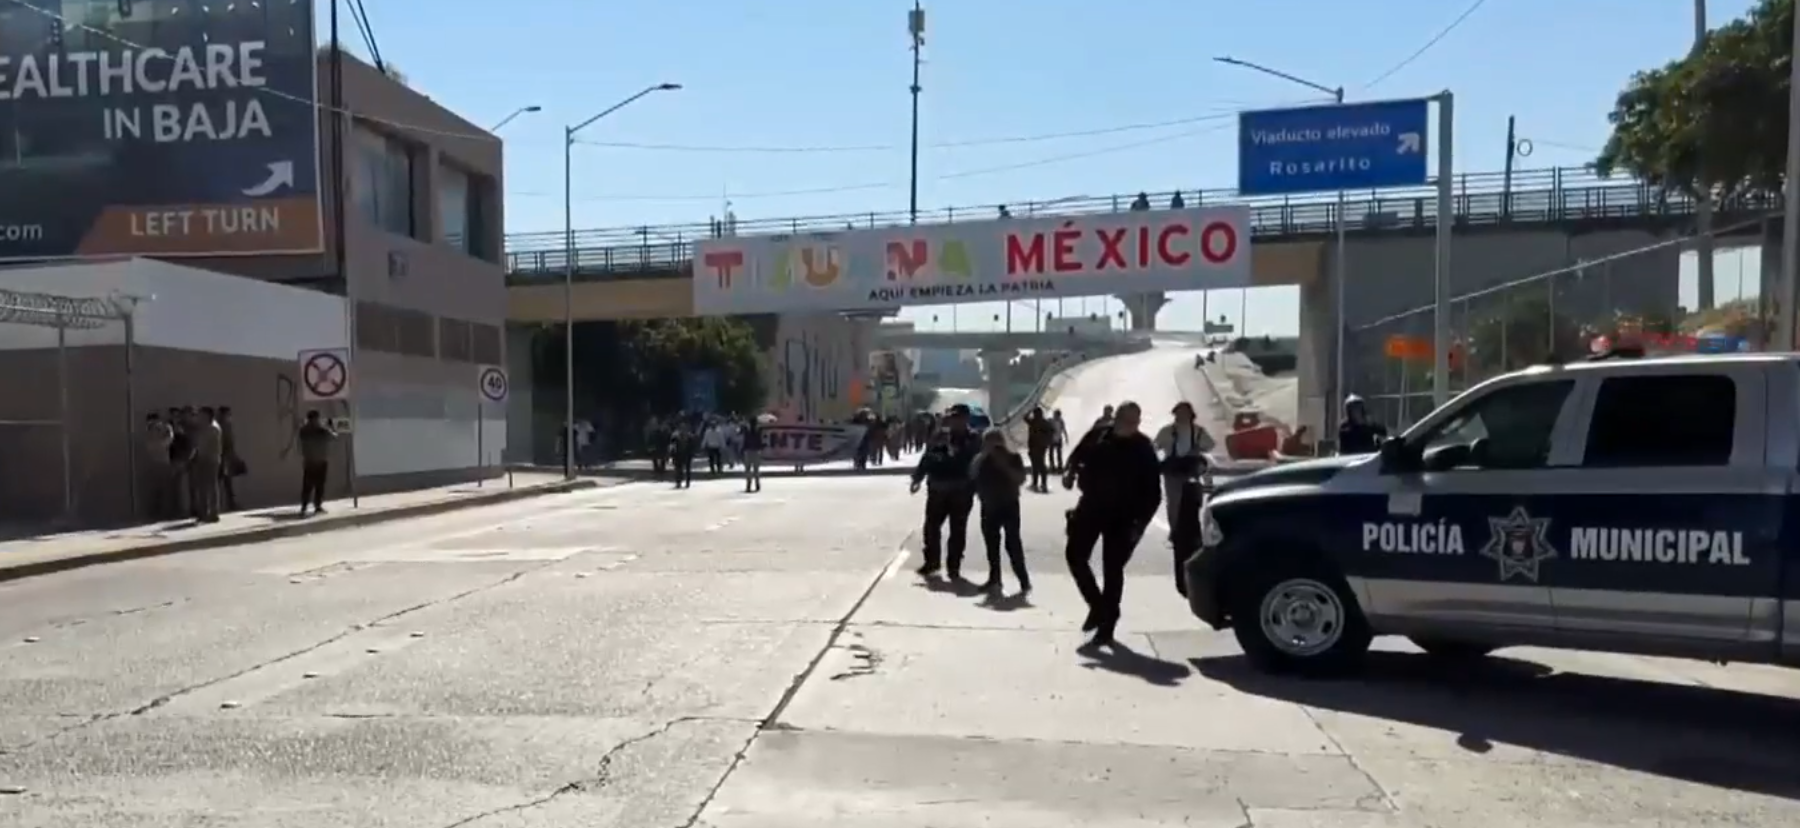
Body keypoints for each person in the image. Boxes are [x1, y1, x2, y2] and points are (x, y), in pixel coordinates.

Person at [1061, 401, 1161, 645]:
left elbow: (1153, 493)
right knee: (1075, 555)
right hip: (1091, 506)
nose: (1131, 426)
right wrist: (1070, 472)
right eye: (1126, 420)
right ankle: (1098, 606)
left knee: (1112, 569)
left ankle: (1108, 624)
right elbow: (1076, 456)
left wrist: (1139, 526)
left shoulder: (1143, 447)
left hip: (1124, 515)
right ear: (1116, 418)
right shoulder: (1098, 435)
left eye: (1135, 422)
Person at [908, 404, 981, 579]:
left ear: (966, 419)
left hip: (961, 489)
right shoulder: (940, 436)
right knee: (931, 527)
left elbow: (975, 461)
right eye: (952, 418)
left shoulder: (974, 439)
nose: (955, 421)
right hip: (938, 488)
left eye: (958, 418)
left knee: (957, 529)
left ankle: (953, 566)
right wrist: (917, 478)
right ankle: (931, 562)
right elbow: (928, 457)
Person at [1154, 401, 1215, 594]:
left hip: (1190, 473)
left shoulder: (1198, 431)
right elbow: (1155, 446)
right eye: (1179, 412)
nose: (1182, 415)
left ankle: (1191, 531)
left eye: (1185, 412)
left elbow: (1210, 446)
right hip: (1173, 473)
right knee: (1174, 503)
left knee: (1193, 502)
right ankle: (1176, 532)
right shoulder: (1167, 431)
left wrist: (1197, 455)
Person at [970, 429, 1030, 598]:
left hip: (1009, 505)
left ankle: (1023, 580)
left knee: (1013, 544)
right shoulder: (981, 460)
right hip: (989, 506)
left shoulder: (1013, 458)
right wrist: (982, 458)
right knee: (992, 545)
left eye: (996, 442)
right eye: (989, 442)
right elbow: (972, 476)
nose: (993, 446)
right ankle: (994, 578)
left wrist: (1004, 465)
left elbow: (1020, 479)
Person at [297, 410, 337, 517]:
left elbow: (300, 444)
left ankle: (304, 507)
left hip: (309, 462)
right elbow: (333, 437)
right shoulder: (321, 430)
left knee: (307, 486)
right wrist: (330, 426)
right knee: (319, 485)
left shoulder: (304, 430)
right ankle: (317, 506)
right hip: (320, 461)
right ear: (315, 418)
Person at [140, 412, 174, 520]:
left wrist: (158, 445)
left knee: (166, 488)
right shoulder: (148, 430)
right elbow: (147, 444)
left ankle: (167, 512)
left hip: (163, 461)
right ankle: (155, 512)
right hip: (153, 461)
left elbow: (169, 440)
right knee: (154, 488)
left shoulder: (166, 428)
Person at [217, 405, 244, 512]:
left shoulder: (227, 426)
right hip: (223, 457)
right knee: (222, 482)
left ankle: (230, 503)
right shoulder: (222, 427)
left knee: (226, 482)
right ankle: (227, 504)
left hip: (226, 457)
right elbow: (225, 444)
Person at [1024, 408, 1052, 492]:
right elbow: (1050, 434)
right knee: (1040, 465)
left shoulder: (1033, 422)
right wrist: (1046, 443)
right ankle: (1042, 484)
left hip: (1035, 446)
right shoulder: (1045, 423)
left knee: (1036, 466)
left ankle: (1036, 484)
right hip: (1041, 447)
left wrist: (1030, 409)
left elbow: (1024, 417)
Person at [670, 422, 698, 489]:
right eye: (681, 428)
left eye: (684, 428)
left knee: (687, 470)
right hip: (678, 455)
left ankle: (687, 482)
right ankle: (678, 482)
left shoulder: (690, 437)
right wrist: (672, 454)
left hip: (687, 455)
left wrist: (692, 453)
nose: (683, 430)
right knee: (678, 469)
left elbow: (692, 446)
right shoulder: (675, 437)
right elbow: (672, 446)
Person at [742, 415, 765, 493]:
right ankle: (757, 484)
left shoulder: (747, 431)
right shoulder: (758, 431)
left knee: (748, 469)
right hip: (756, 451)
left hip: (748, 451)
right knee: (756, 469)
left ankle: (748, 485)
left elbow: (745, 441)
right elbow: (761, 441)